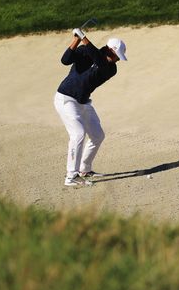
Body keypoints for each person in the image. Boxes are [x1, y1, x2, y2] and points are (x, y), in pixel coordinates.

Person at [54, 27, 127, 186]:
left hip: (83, 102)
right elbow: (65, 60)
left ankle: (84, 170)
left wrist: (84, 37)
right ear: (109, 51)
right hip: (66, 99)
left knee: (97, 135)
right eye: (117, 56)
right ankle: (71, 177)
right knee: (78, 134)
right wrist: (76, 40)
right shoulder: (84, 51)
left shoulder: (111, 69)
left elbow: (99, 60)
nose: (117, 60)